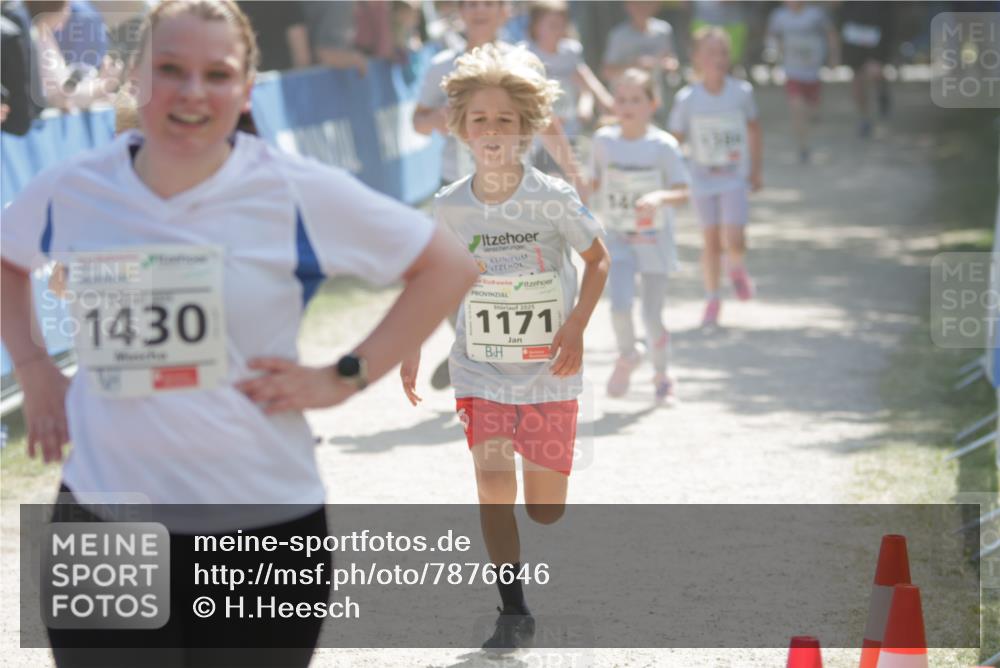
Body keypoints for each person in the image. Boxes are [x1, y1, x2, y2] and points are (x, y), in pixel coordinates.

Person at [0, 1, 477, 665]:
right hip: (107, 521)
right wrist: (33, 367)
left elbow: (446, 266)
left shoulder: (293, 190)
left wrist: (343, 376)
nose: (193, 92)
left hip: (261, 528)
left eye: (217, 74)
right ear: (135, 77)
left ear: (246, 89)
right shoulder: (77, 188)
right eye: (170, 69)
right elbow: (8, 254)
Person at [400, 44, 608, 652]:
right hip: (480, 367)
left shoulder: (552, 197)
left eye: (505, 121)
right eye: (481, 120)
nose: (492, 131)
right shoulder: (450, 206)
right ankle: (513, 608)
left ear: (527, 128)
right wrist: (413, 343)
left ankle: (540, 486)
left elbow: (598, 261)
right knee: (493, 484)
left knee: (545, 511)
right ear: (460, 128)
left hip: (548, 368)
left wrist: (574, 327)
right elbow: (434, 278)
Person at [413, 0, 587, 391]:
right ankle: (471, 341)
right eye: (470, 3)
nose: (479, 10)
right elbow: (418, 120)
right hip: (458, 189)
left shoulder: (523, 61)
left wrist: (574, 172)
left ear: (505, 10)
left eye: (488, 3)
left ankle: (501, 358)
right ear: (459, 11)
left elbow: (547, 120)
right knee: (445, 274)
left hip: (511, 192)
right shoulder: (442, 64)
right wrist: (444, 119)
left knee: (506, 279)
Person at [592, 68, 689, 404]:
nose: (627, 105)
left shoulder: (662, 146)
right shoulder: (604, 142)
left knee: (651, 314)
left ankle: (662, 375)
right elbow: (592, 182)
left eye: (636, 99)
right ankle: (628, 355)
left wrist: (659, 198)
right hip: (618, 239)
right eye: (621, 99)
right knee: (619, 307)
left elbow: (683, 191)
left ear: (653, 103)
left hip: (654, 241)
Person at [668, 26, 762, 328]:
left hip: (734, 178)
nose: (718, 58)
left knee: (734, 238)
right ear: (696, 58)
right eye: (710, 52)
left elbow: (754, 129)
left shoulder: (741, 93)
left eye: (723, 52)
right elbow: (675, 138)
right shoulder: (688, 98)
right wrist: (674, 174)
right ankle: (712, 298)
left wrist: (756, 169)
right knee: (710, 242)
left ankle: (736, 266)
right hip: (701, 180)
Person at [523, 0, 613, 146]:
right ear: (536, 26)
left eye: (562, 25)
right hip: (538, 131)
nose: (559, 30)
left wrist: (603, 100)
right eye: (553, 25)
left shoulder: (570, 51)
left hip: (569, 126)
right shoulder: (526, 54)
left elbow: (584, 77)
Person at [765, 0, 839, 163]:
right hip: (793, 71)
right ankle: (803, 146)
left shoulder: (816, 14)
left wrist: (834, 57)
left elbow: (830, 33)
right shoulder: (779, 16)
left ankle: (811, 122)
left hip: (813, 72)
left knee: (812, 112)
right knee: (797, 108)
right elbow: (772, 37)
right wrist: (774, 52)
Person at [601, 0, 679, 105]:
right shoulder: (618, 36)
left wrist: (668, 64)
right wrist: (635, 65)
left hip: (654, 100)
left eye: (646, 3)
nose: (641, 7)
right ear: (628, 5)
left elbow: (671, 60)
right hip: (625, 104)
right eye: (637, 3)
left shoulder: (663, 31)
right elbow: (606, 72)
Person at [839, 0, 894, 138]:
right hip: (854, 45)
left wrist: (880, 53)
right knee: (857, 83)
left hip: (876, 43)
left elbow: (888, 23)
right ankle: (864, 118)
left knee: (874, 74)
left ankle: (882, 93)